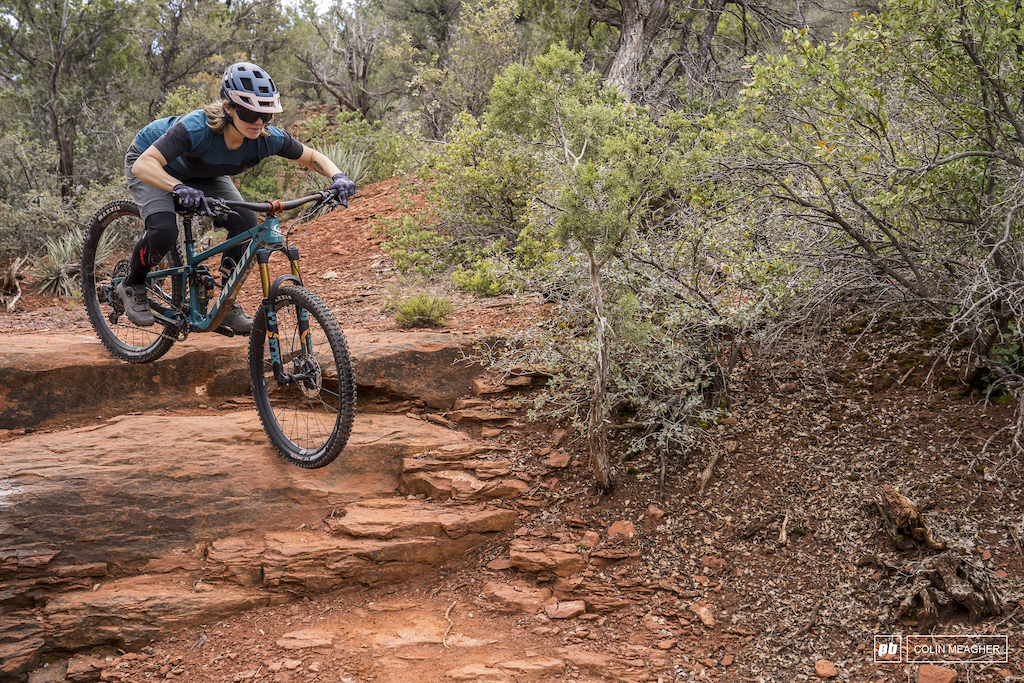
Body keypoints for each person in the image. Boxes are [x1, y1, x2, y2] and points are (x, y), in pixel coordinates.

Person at [117, 61, 356, 332]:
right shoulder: (196, 129)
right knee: (164, 230)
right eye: (248, 113)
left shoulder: (265, 138)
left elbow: (311, 156)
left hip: (204, 173)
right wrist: (178, 187)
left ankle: (225, 303)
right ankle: (133, 284)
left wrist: (339, 176)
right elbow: (143, 166)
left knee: (246, 223)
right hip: (152, 162)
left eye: (265, 116)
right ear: (228, 108)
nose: (258, 122)